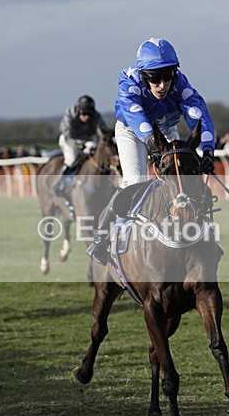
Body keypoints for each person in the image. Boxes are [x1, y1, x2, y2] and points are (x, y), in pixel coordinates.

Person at [86, 37, 217, 264]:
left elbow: (198, 116)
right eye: (154, 78)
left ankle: (203, 234)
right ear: (143, 75)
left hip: (166, 130)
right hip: (132, 131)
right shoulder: (128, 80)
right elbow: (136, 116)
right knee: (135, 181)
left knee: (183, 177)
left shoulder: (181, 84)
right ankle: (102, 236)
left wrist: (207, 151)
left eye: (167, 76)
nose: (162, 85)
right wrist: (152, 144)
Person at [53, 94, 110, 195]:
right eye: (84, 114)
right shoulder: (69, 114)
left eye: (89, 114)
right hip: (69, 139)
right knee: (71, 159)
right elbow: (68, 136)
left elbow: (103, 131)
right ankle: (59, 181)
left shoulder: (96, 116)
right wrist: (81, 146)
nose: (87, 117)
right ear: (79, 112)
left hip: (86, 139)